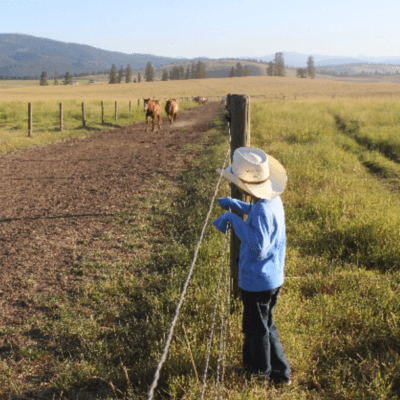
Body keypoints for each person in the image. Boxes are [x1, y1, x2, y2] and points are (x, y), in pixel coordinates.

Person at [213, 146, 291, 384]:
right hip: (271, 277)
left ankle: (260, 375)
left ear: (245, 184)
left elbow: (258, 242)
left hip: (258, 281)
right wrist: (239, 206)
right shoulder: (270, 202)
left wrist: (232, 219)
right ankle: (280, 373)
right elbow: (257, 215)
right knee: (266, 326)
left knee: (256, 331)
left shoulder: (263, 209)